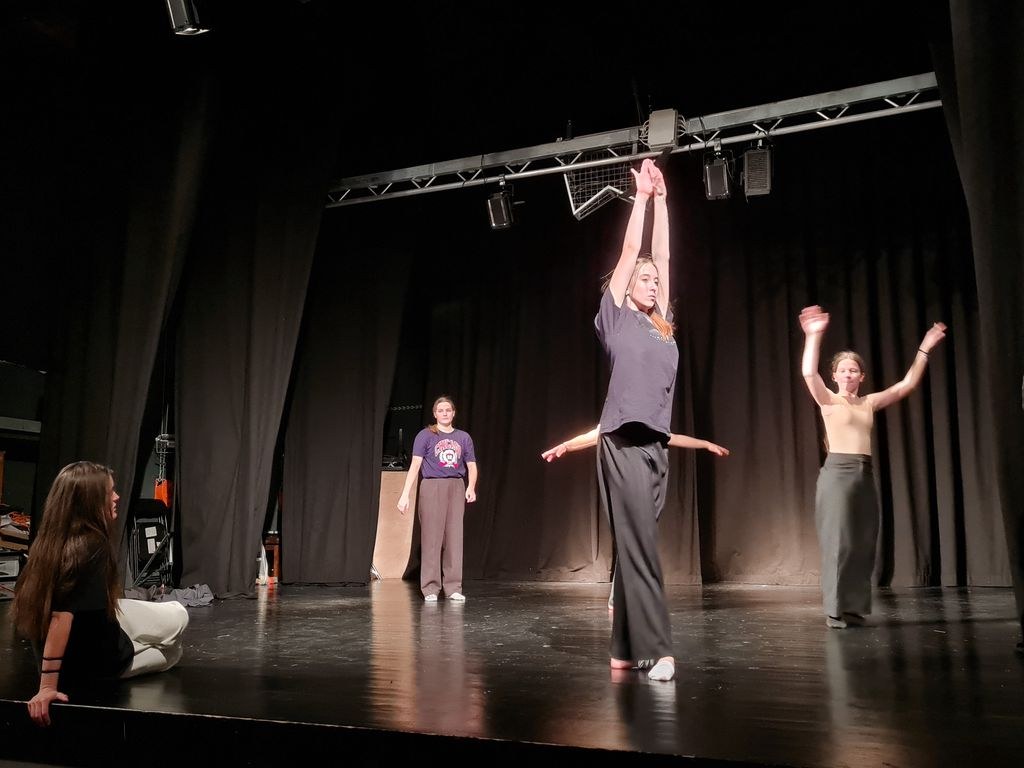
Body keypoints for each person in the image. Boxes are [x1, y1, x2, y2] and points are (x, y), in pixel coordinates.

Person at [798, 305, 947, 628]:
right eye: (843, 370)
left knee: (862, 544)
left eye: (854, 370)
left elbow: (906, 385)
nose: (848, 374)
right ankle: (834, 610)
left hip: (864, 475)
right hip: (837, 476)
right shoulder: (828, 401)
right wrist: (813, 336)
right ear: (834, 376)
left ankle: (852, 607)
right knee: (838, 544)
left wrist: (925, 347)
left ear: (861, 376)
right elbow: (809, 373)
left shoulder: (868, 403)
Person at [11, 461, 190, 726]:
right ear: (90, 501)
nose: (116, 497)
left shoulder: (47, 542)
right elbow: (60, 618)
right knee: (175, 647)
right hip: (97, 659)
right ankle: (147, 641)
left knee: (172, 615)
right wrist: (47, 686)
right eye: (109, 492)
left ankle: (143, 632)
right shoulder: (91, 547)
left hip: (102, 622)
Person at [592, 157, 679, 681]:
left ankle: (622, 647)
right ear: (625, 288)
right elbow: (633, 252)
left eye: (655, 280)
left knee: (635, 542)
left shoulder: (662, 325)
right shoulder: (616, 319)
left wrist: (665, 200)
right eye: (643, 279)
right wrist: (643, 199)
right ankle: (659, 650)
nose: (651, 282)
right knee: (643, 543)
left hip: (656, 447)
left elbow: (662, 255)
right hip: (621, 442)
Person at [542, 425, 729, 613]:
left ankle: (626, 597)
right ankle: (621, 599)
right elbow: (592, 436)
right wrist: (565, 446)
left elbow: (674, 437)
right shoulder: (617, 423)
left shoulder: (646, 425)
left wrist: (705, 444)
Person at [398, 396, 478, 602]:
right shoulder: (425, 435)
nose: (444, 413)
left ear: (453, 413)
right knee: (431, 537)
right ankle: (431, 588)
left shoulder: (463, 437)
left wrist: (471, 487)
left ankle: (453, 587)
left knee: (454, 537)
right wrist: (405, 494)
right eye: (440, 410)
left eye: (448, 410)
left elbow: (471, 466)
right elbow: (415, 465)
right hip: (432, 486)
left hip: (456, 486)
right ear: (435, 414)